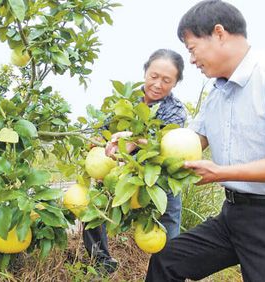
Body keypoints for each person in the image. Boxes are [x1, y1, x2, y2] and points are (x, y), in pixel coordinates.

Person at [146, 1, 265, 282]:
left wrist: (220, 173)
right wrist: (135, 146)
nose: (191, 60)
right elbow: (190, 140)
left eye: (192, 49)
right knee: (168, 261)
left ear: (219, 33)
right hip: (234, 215)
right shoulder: (218, 91)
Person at [83, 48, 187, 273]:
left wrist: (135, 140)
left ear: (176, 83)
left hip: (158, 174)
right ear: (145, 72)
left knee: (168, 216)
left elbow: (165, 143)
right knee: (94, 207)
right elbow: (103, 130)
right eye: (154, 76)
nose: (158, 84)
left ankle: (167, 272)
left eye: (167, 80)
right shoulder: (125, 98)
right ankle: (101, 264)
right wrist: (100, 142)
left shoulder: (175, 110)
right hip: (117, 171)